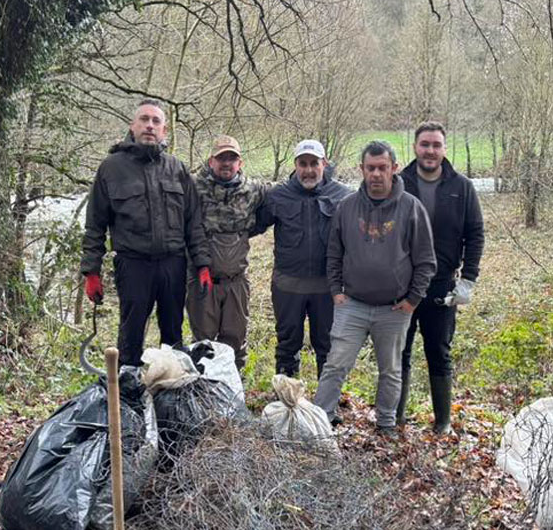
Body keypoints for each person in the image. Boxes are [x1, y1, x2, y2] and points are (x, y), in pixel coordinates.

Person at [312, 140, 436, 432]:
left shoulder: (411, 208)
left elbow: (426, 261)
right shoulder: (347, 207)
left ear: (393, 168)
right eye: (371, 168)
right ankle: (320, 419)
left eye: (382, 168)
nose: (376, 174)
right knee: (335, 364)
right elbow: (334, 253)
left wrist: (412, 300)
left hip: (394, 308)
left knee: (391, 371)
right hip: (352, 304)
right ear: (362, 170)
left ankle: (386, 425)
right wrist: (336, 292)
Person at [79, 99, 212, 366]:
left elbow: (193, 222)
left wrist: (203, 265)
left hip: (173, 264)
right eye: (144, 119)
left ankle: (172, 393)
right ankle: (128, 393)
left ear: (165, 130)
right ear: (133, 125)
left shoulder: (177, 169)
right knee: (131, 334)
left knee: (173, 335)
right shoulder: (111, 168)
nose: (150, 126)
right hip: (133, 264)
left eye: (156, 121)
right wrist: (91, 271)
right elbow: (95, 224)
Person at [397, 122, 485, 435]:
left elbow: (475, 235)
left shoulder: (461, 187)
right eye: (425, 144)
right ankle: (396, 420)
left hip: (441, 286)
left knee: (439, 352)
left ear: (444, 149)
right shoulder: (399, 183)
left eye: (436, 145)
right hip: (402, 286)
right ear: (415, 148)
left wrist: (468, 280)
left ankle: (443, 423)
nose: (430, 151)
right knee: (400, 353)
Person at [252, 139, 352, 377]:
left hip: (327, 287)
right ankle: (287, 403)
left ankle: (327, 406)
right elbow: (249, 227)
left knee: (327, 347)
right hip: (287, 286)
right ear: (295, 165)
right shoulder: (278, 196)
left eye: (314, 163)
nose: (308, 170)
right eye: (303, 164)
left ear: (324, 163)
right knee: (287, 345)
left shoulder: (343, 196)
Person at [185, 135, 267, 368]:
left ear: (240, 163)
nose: (227, 163)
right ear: (211, 161)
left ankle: (234, 391)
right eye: (222, 158)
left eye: (232, 158)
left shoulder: (253, 190)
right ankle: (203, 392)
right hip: (202, 281)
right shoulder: (192, 187)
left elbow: (284, 196)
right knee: (202, 344)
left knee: (235, 342)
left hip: (236, 282)